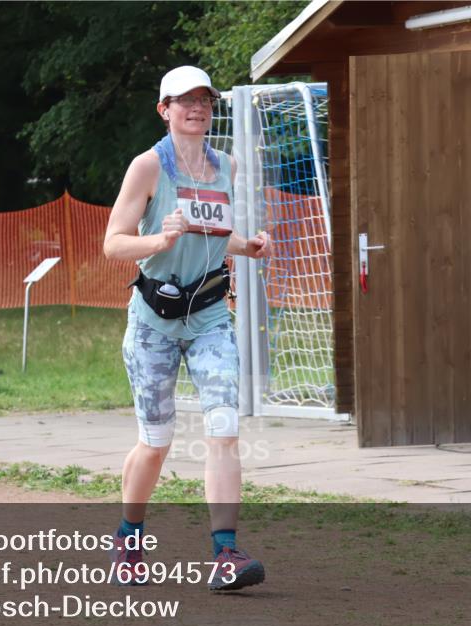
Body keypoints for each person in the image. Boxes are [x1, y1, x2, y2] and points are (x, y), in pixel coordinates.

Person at [102, 65, 272, 591]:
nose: (196, 108)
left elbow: (214, 229)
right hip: (154, 321)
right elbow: (113, 243)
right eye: (184, 101)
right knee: (156, 441)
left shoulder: (226, 165)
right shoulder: (148, 167)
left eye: (204, 100)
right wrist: (158, 241)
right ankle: (128, 538)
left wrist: (248, 245)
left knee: (224, 427)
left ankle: (226, 554)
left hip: (210, 317)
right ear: (164, 110)